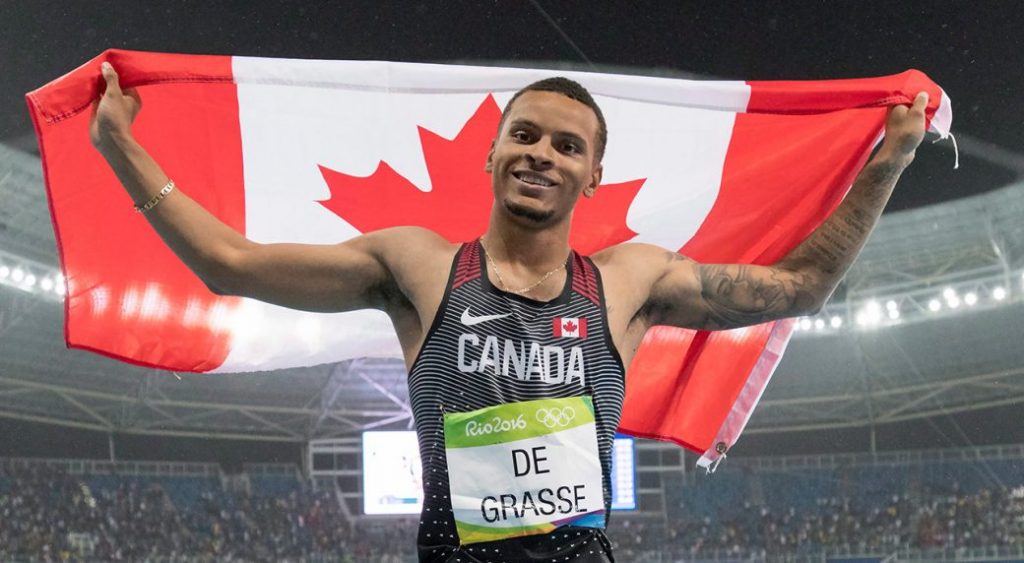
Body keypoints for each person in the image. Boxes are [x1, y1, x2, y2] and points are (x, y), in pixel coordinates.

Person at [90, 61, 928, 562]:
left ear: (594, 174)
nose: (542, 154)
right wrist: (121, 144)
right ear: (493, 150)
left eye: (569, 146)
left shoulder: (628, 283)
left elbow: (800, 288)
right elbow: (229, 264)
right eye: (525, 134)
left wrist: (888, 160)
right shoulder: (419, 267)